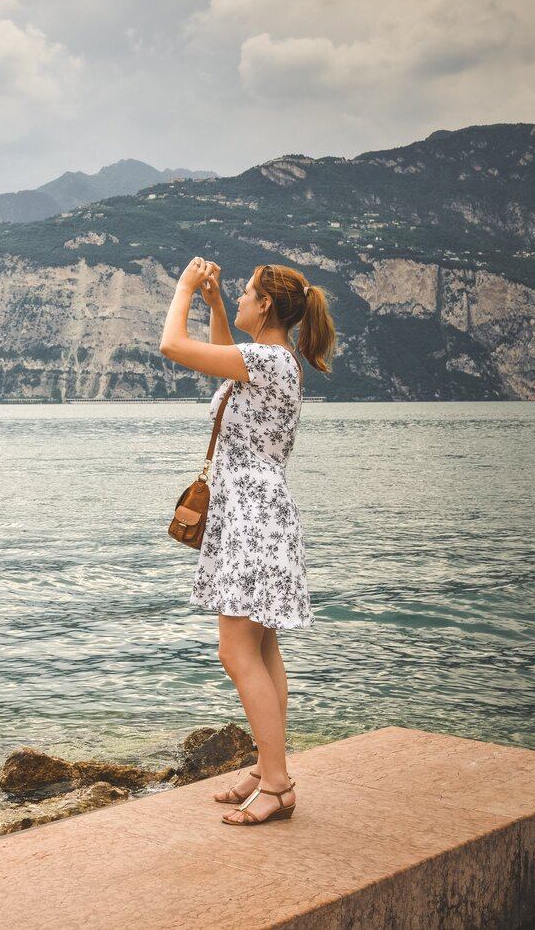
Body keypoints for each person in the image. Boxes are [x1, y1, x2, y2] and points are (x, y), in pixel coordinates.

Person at [158, 256, 337, 826]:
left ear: (264, 306)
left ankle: (278, 784)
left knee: (236, 652)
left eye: (244, 293)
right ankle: (266, 769)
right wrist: (214, 305)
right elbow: (225, 360)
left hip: (252, 518)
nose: (237, 297)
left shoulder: (267, 359)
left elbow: (171, 346)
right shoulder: (271, 360)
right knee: (262, 649)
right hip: (257, 514)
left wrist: (185, 288)